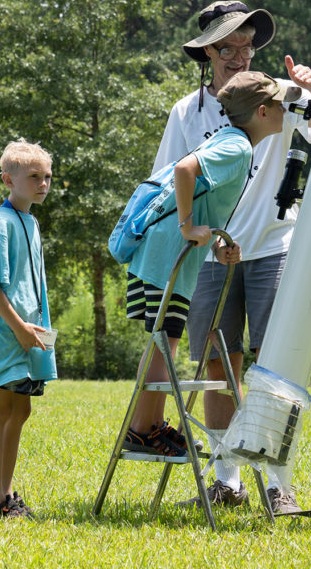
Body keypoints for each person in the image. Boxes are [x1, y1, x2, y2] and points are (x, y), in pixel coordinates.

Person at [151, 0, 311, 514]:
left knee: (276, 367)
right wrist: (190, 234)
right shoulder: (187, 111)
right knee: (216, 365)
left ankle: (279, 486)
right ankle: (226, 480)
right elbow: (169, 178)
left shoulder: (282, 95)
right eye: (228, 47)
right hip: (211, 257)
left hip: (275, 246)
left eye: (248, 46)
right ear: (206, 52)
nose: (240, 56)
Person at [122, 72, 299, 467]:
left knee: (163, 336)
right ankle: (143, 428)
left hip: (164, 252)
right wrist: (187, 226)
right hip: (167, 254)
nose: (286, 110)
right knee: (164, 339)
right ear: (263, 111)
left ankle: (147, 425)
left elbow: (204, 196)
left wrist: (216, 244)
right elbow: (185, 170)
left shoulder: (232, 141)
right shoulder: (237, 147)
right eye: (279, 103)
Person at [0, 139, 57, 519]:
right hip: (6, 334)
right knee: (2, 407)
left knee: (20, 409)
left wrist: (35, 330)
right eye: (34, 177)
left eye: (47, 177)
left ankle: (7, 495)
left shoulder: (31, 221)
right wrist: (20, 327)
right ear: (9, 180)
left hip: (31, 335)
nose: (43, 183)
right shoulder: (0, 225)